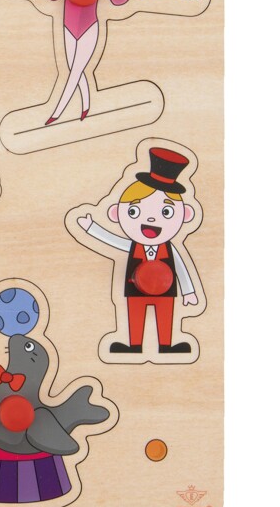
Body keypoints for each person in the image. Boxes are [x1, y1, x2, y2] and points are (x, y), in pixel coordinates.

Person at [77, 147, 199, 355]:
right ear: (116, 213)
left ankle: (166, 345)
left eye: (166, 211)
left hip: (166, 290)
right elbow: (113, 240)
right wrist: (91, 227)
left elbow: (180, 267)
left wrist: (188, 291)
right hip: (135, 288)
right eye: (134, 211)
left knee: (165, 315)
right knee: (135, 315)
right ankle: (134, 345)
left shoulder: (170, 249)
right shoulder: (133, 246)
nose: (151, 218)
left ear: (186, 214)